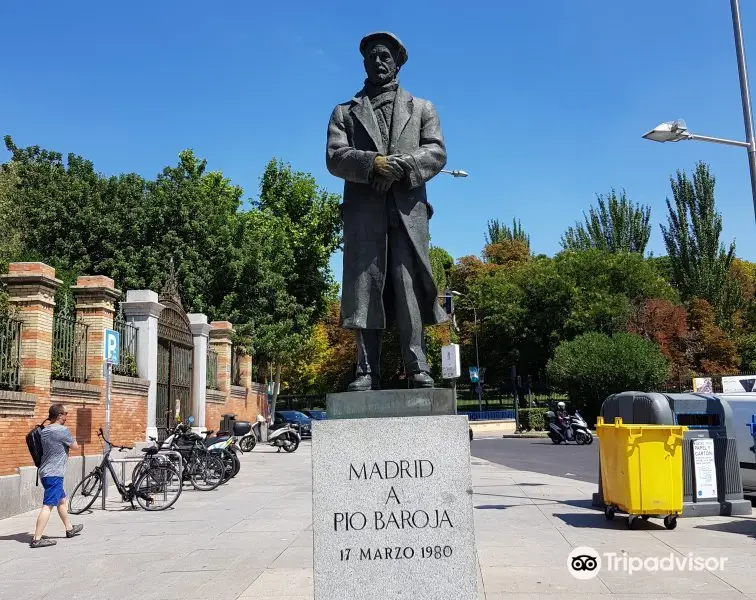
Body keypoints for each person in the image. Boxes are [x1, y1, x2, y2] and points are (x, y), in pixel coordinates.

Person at [326, 31, 448, 391]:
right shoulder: (344, 112)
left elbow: (436, 152)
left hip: (407, 213)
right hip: (365, 216)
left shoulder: (422, 108)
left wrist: (401, 166)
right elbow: (335, 157)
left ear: (397, 62)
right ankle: (366, 370)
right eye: (371, 57)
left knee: (407, 287)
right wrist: (372, 164)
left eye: (384, 56)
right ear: (364, 63)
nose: (378, 62)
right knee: (365, 289)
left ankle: (417, 366)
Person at [30, 403, 83, 548]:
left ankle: (69, 528)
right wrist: (69, 433)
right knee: (48, 505)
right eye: (66, 414)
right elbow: (75, 446)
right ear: (59, 415)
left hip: (46, 471)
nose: (67, 417)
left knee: (61, 500)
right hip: (54, 473)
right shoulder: (62, 430)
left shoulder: (46, 430)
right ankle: (37, 539)